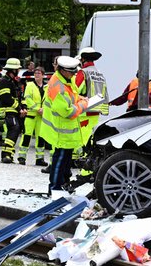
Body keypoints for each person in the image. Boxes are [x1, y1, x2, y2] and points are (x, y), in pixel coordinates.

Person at [41, 56, 89, 194]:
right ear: (63, 70)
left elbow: (73, 96)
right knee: (59, 161)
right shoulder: (58, 86)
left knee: (65, 162)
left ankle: (63, 185)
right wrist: (83, 104)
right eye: (72, 71)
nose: (74, 74)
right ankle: (55, 189)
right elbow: (67, 111)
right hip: (60, 130)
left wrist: (81, 99)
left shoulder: (67, 80)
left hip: (65, 131)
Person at [71, 47, 109, 184]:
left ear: (82, 59)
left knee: (84, 143)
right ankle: (90, 171)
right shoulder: (99, 73)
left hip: (85, 111)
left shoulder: (83, 73)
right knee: (91, 141)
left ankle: (85, 173)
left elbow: (75, 90)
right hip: (96, 112)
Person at [0, 58, 26, 164]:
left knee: (16, 130)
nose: (18, 71)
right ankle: (5, 155)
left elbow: (20, 97)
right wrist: (19, 108)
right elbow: (6, 98)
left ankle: (10, 154)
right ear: (13, 70)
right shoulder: (4, 81)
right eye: (17, 69)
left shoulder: (15, 82)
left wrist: (23, 108)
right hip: (8, 111)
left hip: (16, 111)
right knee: (14, 129)